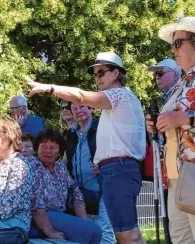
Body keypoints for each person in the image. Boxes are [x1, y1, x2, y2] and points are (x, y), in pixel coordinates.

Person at [26, 51, 147, 244]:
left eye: (101, 73)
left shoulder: (118, 95)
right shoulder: (121, 100)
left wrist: (49, 87)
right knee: (129, 234)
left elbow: (81, 96)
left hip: (119, 170)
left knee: (127, 235)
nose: (96, 78)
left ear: (115, 74)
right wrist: (102, 161)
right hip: (117, 170)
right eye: (95, 74)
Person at [146, 16, 195, 244]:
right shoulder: (184, 80)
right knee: (182, 239)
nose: (173, 49)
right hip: (176, 175)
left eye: (177, 43)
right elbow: (174, 121)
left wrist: (184, 117)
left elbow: (184, 118)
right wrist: (158, 123)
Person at [29, 127, 102, 244]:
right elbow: (35, 202)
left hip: (59, 215)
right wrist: (50, 232)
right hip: (40, 216)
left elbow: (76, 195)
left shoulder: (61, 168)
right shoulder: (32, 166)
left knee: (96, 232)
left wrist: (84, 223)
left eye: (52, 147)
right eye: (43, 146)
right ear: (37, 149)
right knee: (87, 232)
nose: (47, 151)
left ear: (59, 151)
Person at [66, 103, 115, 244]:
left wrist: (104, 165)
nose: (78, 111)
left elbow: (114, 151)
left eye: (82, 107)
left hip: (103, 186)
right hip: (79, 190)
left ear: (91, 108)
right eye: (74, 109)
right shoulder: (70, 133)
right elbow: (66, 158)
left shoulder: (102, 127)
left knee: (104, 230)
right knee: (86, 230)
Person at [148, 58, 181, 244]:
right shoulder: (165, 100)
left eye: (161, 73)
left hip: (181, 169)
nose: (157, 78)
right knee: (172, 224)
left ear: (176, 74)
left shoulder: (179, 96)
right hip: (168, 169)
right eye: (155, 75)